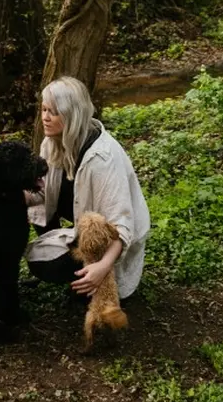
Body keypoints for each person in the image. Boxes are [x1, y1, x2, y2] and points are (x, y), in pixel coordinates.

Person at [25, 76, 150, 300]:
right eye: (43, 109)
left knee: (46, 264)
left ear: (72, 114)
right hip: (83, 225)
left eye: (52, 112)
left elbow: (121, 226)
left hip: (111, 236)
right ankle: (79, 266)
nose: (44, 117)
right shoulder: (52, 143)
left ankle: (96, 277)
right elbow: (41, 194)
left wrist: (102, 267)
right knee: (38, 240)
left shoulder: (102, 159)